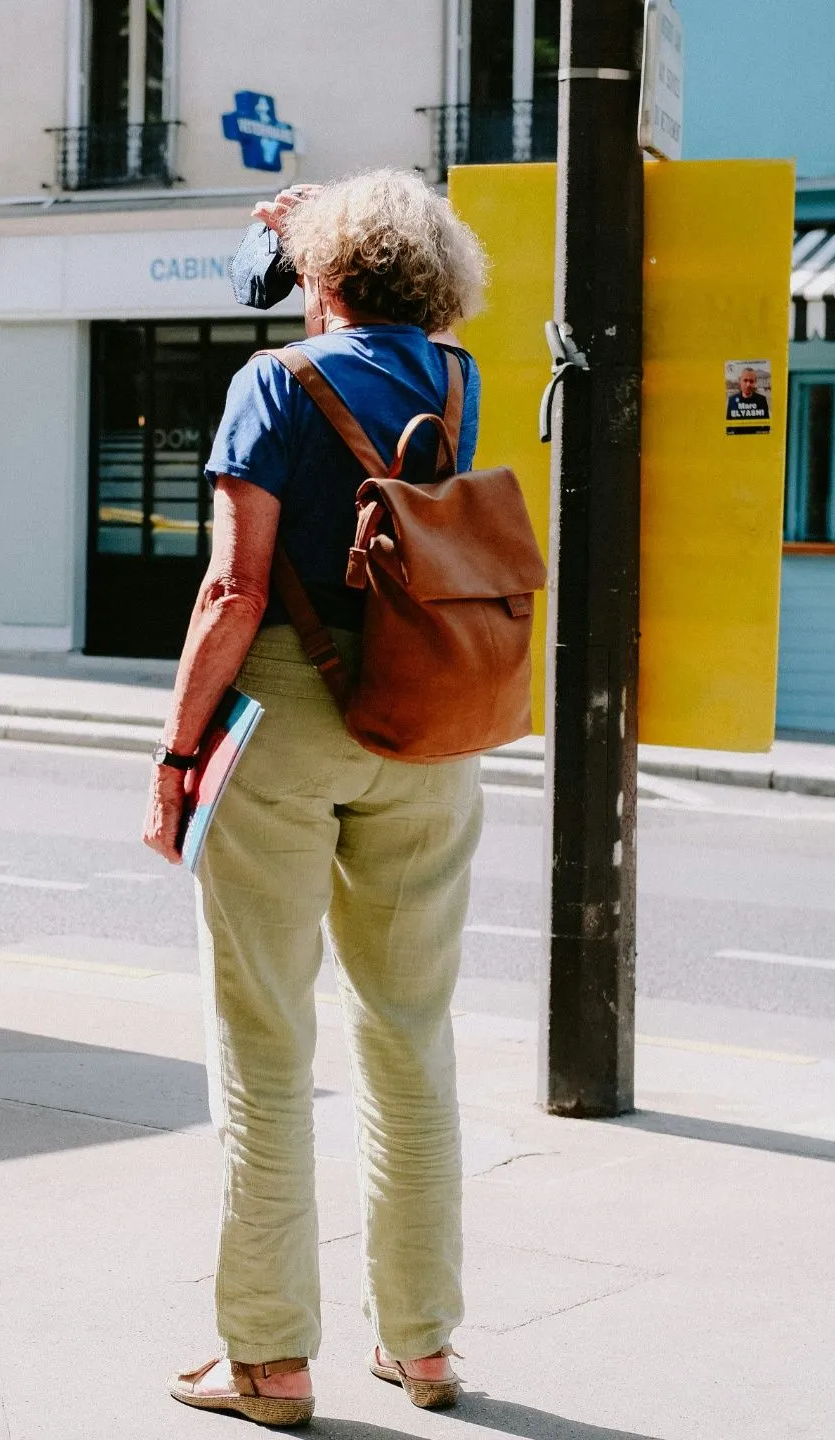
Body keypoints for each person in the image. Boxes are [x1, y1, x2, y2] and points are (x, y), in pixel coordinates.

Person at [142, 170, 488, 1427]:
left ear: (319, 272)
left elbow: (234, 592)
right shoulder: (460, 380)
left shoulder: (271, 385)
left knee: (266, 1043)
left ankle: (273, 1362)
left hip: (288, 711)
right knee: (410, 1036)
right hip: (428, 720)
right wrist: (332, 246)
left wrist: (178, 754)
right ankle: (427, 1345)